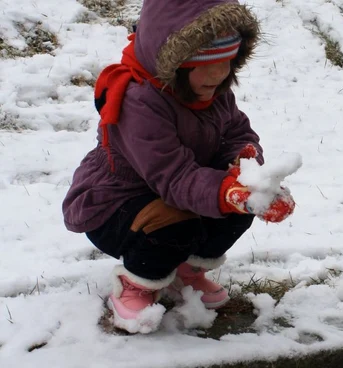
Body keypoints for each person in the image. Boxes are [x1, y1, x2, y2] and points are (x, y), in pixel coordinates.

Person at [62, 0, 295, 333]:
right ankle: (138, 284)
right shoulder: (139, 102)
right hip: (117, 205)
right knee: (176, 225)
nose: (219, 74)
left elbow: (236, 131)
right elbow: (173, 176)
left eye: (227, 61)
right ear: (173, 63)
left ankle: (186, 269)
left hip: (178, 194)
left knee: (243, 205)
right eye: (206, 64)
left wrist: (246, 168)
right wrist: (227, 191)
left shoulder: (212, 91)